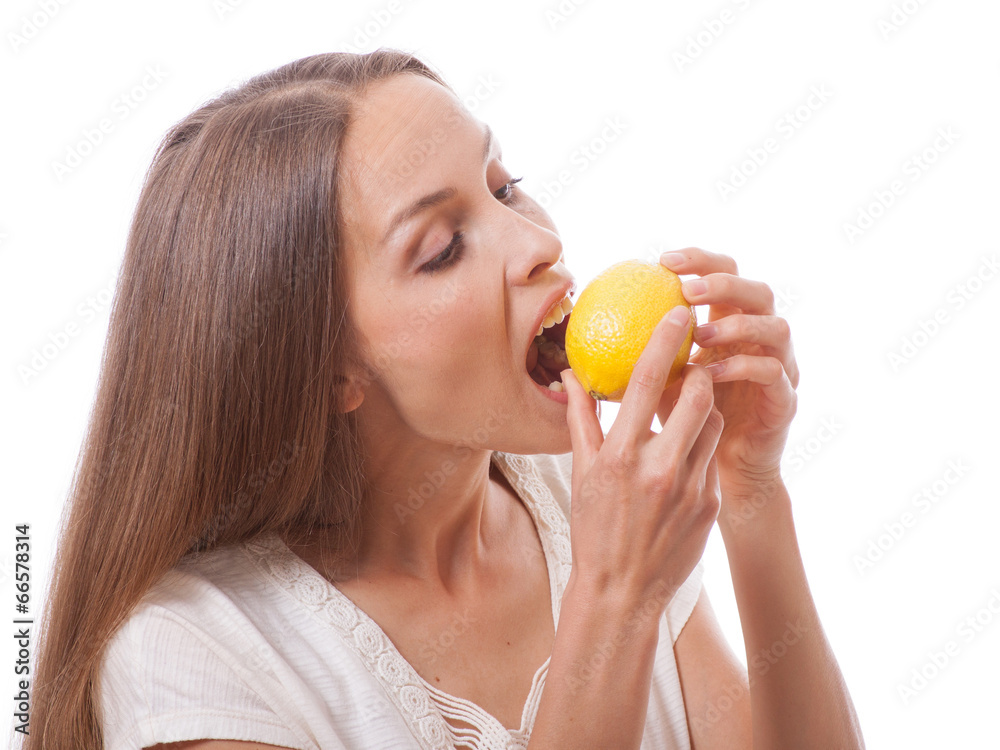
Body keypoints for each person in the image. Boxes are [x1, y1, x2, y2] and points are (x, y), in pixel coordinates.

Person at [24, 49, 865, 749]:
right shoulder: (199, 651)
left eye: (504, 188)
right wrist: (613, 601)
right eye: (442, 248)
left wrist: (752, 494)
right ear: (328, 370)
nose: (541, 243)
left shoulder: (592, 504)